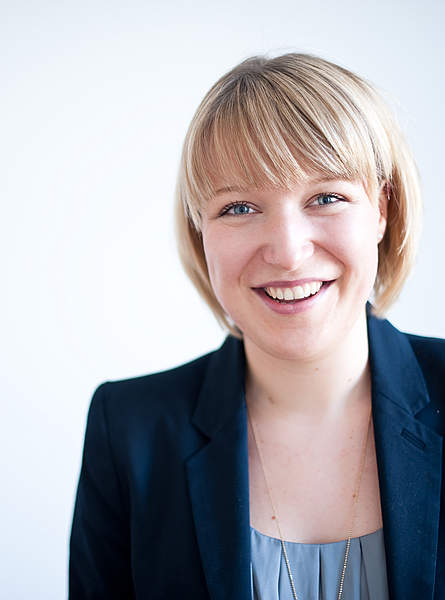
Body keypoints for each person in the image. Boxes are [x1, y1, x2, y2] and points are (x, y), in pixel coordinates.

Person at [69, 53, 445, 599]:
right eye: (240, 208)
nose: (288, 253)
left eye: (327, 197)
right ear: (200, 231)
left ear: (382, 210)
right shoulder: (129, 431)